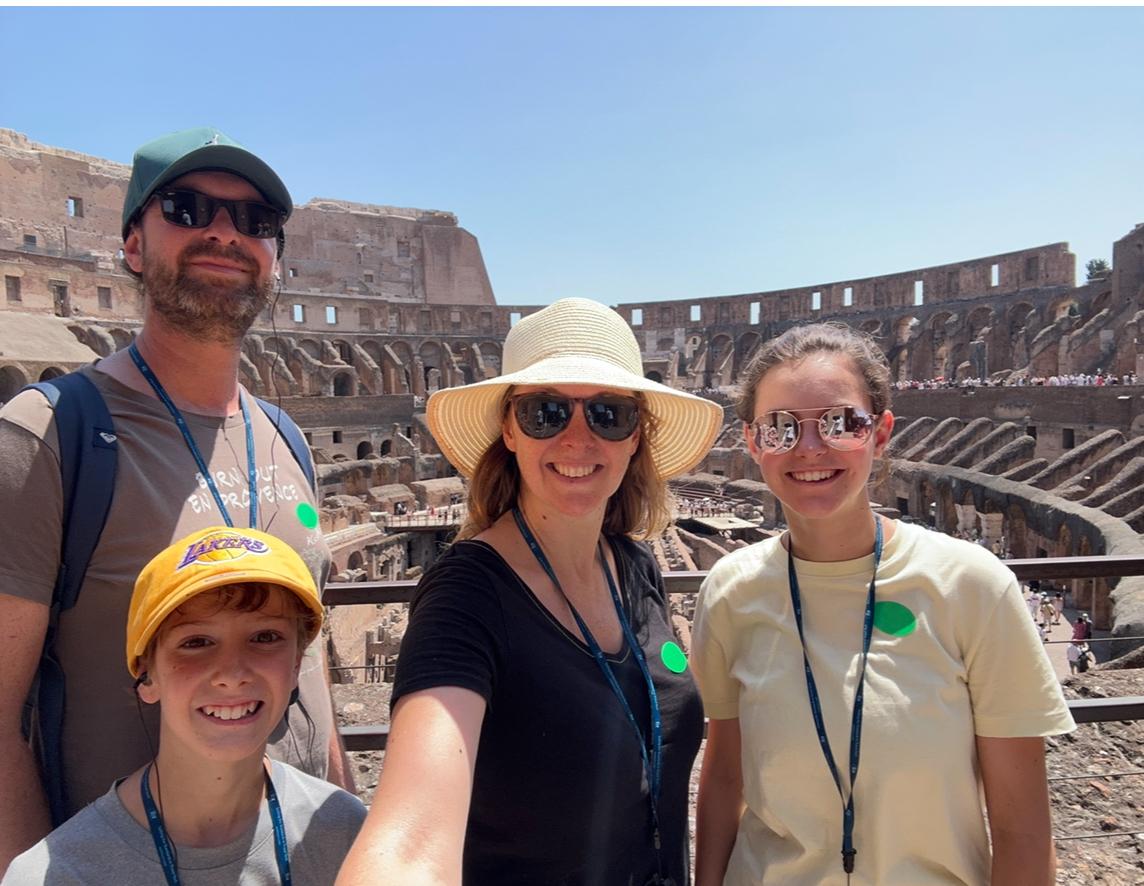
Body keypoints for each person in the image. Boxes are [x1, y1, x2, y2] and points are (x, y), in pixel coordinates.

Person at [0, 127, 351, 874]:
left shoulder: (287, 438)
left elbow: (311, 672)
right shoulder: (47, 434)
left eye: (255, 219)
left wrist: (349, 838)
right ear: (133, 245)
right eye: (187, 209)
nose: (225, 232)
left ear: (274, 258)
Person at [337, 298, 723, 885]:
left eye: (609, 414)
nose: (577, 439)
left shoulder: (635, 566)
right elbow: (409, 841)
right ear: (509, 430)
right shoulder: (465, 599)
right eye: (546, 412)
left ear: (636, 436)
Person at [691, 322, 1074, 886]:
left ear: (881, 432)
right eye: (780, 428)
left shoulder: (972, 586)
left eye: (840, 422)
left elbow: (1023, 832)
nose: (809, 448)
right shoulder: (730, 592)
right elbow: (725, 779)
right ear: (752, 442)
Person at [2, 526, 366, 885]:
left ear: (296, 665)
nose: (233, 673)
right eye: (196, 642)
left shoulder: (344, 832)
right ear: (147, 675)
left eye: (265, 637)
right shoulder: (60, 874)